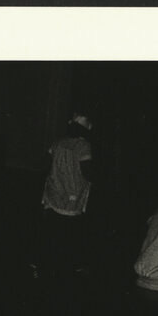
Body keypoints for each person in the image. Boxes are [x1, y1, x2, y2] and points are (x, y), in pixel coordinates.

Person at [38, 112, 94, 275]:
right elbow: (87, 172)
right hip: (72, 196)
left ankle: (49, 263)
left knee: (52, 230)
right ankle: (67, 266)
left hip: (54, 193)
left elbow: (44, 164)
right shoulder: (83, 146)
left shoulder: (58, 143)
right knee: (69, 232)